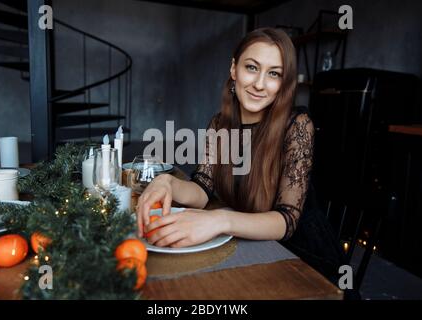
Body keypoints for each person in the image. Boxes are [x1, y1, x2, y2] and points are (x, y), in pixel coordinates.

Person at [136, 27, 351, 294]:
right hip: (247, 243)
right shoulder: (219, 124)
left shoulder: (297, 125)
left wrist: (220, 220)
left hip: (300, 255)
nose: (260, 84)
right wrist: (166, 181)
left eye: (274, 74)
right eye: (252, 67)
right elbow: (203, 189)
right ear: (234, 69)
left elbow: (286, 222)